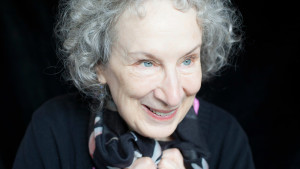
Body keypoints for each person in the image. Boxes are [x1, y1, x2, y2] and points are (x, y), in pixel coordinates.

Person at [13, 0, 255, 168]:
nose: (172, 96)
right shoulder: (54, 130)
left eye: (188, 60)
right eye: (146, 63)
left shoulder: (227, 138)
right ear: (99, 64)